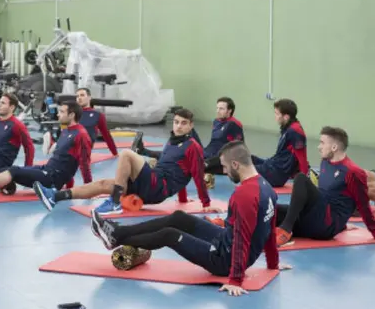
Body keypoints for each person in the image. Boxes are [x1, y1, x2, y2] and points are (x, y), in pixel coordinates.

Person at [90, 140, 291, 296]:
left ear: (236, 164)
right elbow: (269, 226)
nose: (224, 171)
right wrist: (273, 263)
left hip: (224, 261)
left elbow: (242, 239)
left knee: (170, 234)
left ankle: (118, 237)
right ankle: (117, 233)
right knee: (179, 218)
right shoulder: (266, 187)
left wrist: (235, 280)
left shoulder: (244, 195)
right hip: (226, 242)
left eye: (225, 167)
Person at [33, 108, 214, 215]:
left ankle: (114, 202)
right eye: (176, 122)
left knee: (127, 154)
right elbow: (177, 168)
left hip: (158, 186)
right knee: (103, 183)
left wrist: (205, 204)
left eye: (183, 123)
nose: (179, 126)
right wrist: (181, 200)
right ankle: (54, 197)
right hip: (151, 183)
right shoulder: (173, 141)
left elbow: (196, 174)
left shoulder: (193, 147)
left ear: (191, 125)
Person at [273, 126, 375, 246]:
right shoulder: (325, 162)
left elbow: (364, 207)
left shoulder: (353, 172)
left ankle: (286, 231)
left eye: (323, 143)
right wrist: (344, 226)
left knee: (301, 179)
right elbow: (325, 195)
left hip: (325, 226)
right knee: (273, 210)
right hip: (313, 219)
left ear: (334, 147)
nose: (319, 147)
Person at [0, 101, 92, 199]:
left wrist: (87, 189)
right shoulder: (66, 131)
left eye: (61, 112)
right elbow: (66, 160)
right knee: (7, 168)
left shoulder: (81, 135)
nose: (58, 114)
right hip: (47, 170)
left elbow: (84, 163)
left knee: (13, 171)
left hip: (52, 179)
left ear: (72, 115)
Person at [252, 98, 310, 187]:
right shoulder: (287, 127)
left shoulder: (295, 131)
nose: (275, 116)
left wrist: (303, 181)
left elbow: (302, 157)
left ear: (286, 117)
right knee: (248, 158)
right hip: (273, 165)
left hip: (276, 174)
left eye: (277, 114)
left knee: (242, 168)